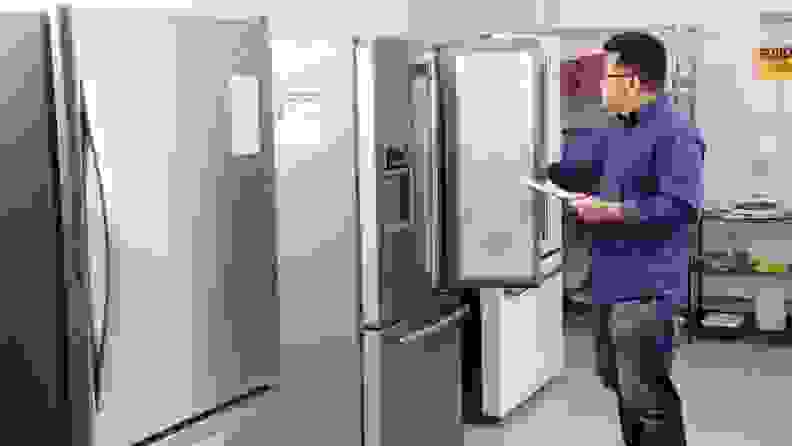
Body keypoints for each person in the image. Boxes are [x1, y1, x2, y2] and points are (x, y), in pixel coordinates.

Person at [548, 32, 704, 446]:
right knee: (619, 384)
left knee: (648, 398)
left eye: (605, 75)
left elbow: (681, 206)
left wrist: (610, 211)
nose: (600, 85)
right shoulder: (617, 130)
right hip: (609, 284)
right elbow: (574, 170)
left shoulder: (675, 132)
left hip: (647, 290)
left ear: (632, 79)